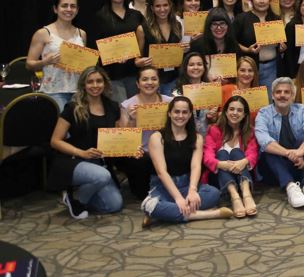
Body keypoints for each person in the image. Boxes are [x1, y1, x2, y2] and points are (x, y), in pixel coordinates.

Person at [49, 67, 131, 219]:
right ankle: (78, 201)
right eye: (90, 82)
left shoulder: (113, 107)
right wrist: (81, 153)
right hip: (73, 161)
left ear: (105, 83)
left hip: (99, 163)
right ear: (83, 85)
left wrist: (132, 144)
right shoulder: (72, 108)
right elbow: (55, 141)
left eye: (99, 81)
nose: (95, 85)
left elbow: (119, 138)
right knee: (102, 176)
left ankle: (77, 194)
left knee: (114, 205)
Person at [141, 96, 232, 226]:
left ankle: (168, 214)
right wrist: (178, 198)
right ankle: (211, 214)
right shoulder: (157, 138)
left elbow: (195, 166)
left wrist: (192, 190)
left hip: (187, 184)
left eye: (184, 112)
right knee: (151, 205)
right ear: (169, 113)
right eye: (176, 112)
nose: (180, 116)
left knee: (214, 194)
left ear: (190, 115)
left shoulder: (197, 138)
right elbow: (162, 172)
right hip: (164, 187)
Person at [254, 77, 304, 208]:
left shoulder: (301, 110)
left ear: (292, 96)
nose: (282, 95)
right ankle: (290, 187)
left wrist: (300, 152)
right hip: (275, 170)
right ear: (272, 96)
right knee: (269, 149)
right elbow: (263, 141)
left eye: (286, 92)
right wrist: (289, 154)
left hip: (299, 165)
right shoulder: (263, 113)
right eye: (278, 92)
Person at [117, 66, 173, 199]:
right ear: (137, 83)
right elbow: (123, 139)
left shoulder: (169, 102)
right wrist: (132, 119)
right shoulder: (128, 105)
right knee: (141, 192)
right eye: (145, 79)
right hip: (141, 154)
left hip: (164, 149)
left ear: (159, 82)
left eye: (154, 79)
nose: (149, 83)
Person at [27, 0, 88, 110]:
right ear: (55, 9)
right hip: (53, 91)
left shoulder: (82, 34)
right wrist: (44, 62)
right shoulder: (43, 33)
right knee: (60, 128)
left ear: (77, 10)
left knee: (78, 127)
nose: (69, 9)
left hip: (78, 92)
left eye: (73, 6)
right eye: (64, 5)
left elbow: (82, 63)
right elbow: (29, 64)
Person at [202, 95, 259, 218]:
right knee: (221, 154)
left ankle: (246, 192)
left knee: (236, 152)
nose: (235, 113)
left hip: (241, 173)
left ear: (244, 115)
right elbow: (207, 156)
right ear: (225, 112)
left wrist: (243, 162)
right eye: (231, 109)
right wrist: (222, 164)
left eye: (239, 110)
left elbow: (253, 153)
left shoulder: (249, 131)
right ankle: (234, 196)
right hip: (219, 176)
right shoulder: (213, 130)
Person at [92, 0, 145, 101]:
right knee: (118, 113)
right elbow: (95, 48)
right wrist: (113, 56)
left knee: (134, 112)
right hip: (112, 75)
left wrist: (138, 57)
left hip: (134, 74)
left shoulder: (136, 15)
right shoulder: (100, 17)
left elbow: (143, 42)